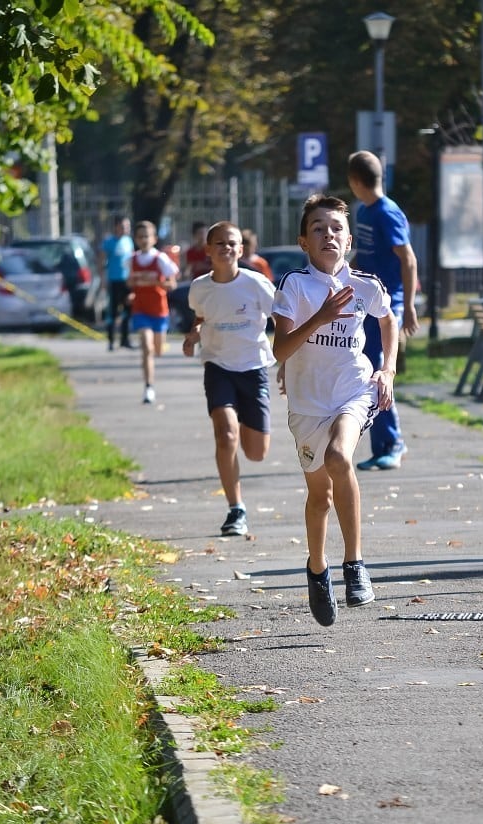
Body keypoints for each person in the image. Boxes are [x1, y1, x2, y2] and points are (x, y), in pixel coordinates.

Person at [272, 194, 398, 627]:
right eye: (319, 228)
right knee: (318, 495)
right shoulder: (294, 284)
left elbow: (388, 318)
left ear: (348, 241)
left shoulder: (365, 283)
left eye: (336, 228)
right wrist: (320, 318)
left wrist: (388, 369)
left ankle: (355, 565)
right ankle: (317, 569)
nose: (329, 234)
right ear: (304, 241)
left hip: (354, 390)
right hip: (307, 404)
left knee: (341, 457)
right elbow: (281, 349)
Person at [182, 221, 276, 537]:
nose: (226, 248)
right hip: (217, 365)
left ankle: (249, 440)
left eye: (232, 243)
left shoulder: (257, 284)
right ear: (207, 250)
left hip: (253, 367)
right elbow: (201, 315)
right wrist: (193, 335)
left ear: (241, 248)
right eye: (219, 243)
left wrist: (290, 361)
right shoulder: (199, 287)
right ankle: (236, 509)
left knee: (256, 452)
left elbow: (284, 319)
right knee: (226, 435)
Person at [347, 150, 419, 469]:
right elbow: (364, 257)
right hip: (367, 300)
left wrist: (411, 306)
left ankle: (393, 443)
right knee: (367, 370)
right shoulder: (364, 211)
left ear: (354, 181)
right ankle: (381, 446)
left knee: (378, 370)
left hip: (389, 303)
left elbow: (408, 258)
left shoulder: (386, 212)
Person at [127, 221, 179, 404]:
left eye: (146, 236)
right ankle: (149, 387)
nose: (143, 240)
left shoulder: (161, 259)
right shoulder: (132, 259)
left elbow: (172, 283)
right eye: (140, 236)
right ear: (136, 239)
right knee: (146, 348)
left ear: (154, 239)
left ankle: (150, 381)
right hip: (140, 309)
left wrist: (155, 282)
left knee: (157, 350)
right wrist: (133, 291)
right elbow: (129, 282)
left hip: (159, 310)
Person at [101, 215, 134, 350]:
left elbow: (132, 261)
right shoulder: (108, 242)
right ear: (116, 226)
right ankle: (111, 341)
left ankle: (125, 339)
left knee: (128, 310)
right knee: (113, 312)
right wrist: (103, 279)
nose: (126, 229)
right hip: (113, 281)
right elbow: (101, 261)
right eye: (123, 226)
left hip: (127, 282)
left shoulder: (129, 241)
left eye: (127, 226)